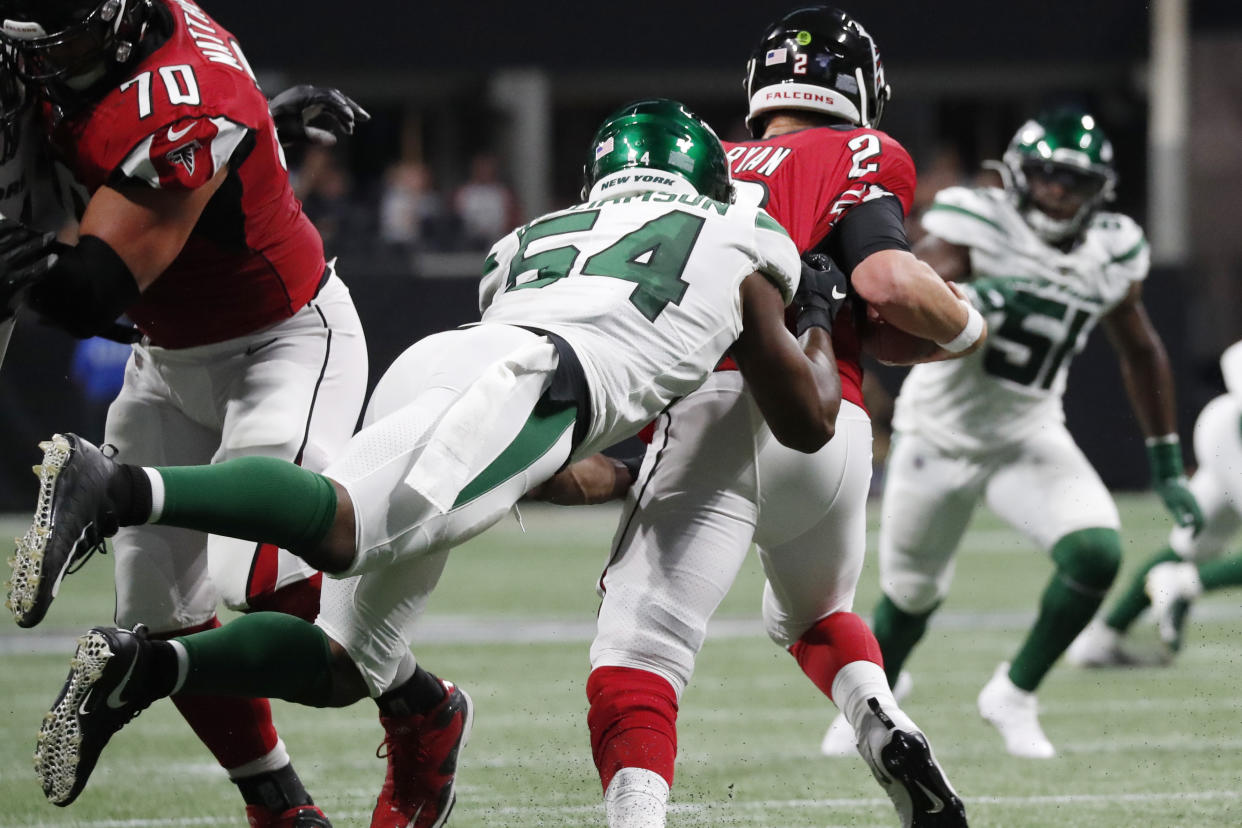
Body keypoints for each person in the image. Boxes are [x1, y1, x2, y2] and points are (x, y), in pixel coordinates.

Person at [13, 98, 849, 827]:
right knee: (339, 525)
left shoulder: (533, 236)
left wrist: (627, 476)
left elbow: (533, 464)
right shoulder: (742, 231)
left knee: (350, 662)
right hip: (530, 385)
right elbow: (808, 421)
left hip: (458, 364)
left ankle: (146, 666)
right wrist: (813, 312)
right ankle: (114, 487)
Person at [534, 7, 977, 827]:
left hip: (713, 408)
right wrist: (970, 328)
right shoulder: (861, 150)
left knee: (640, 654)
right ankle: (880, 715)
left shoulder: (695, 164)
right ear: (863, 90)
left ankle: (637, 817)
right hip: (833, 425)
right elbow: (885, 298)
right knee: (814, 614)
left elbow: (877, 282)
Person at [0, 2, 370, 826]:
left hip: (279, 343)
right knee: (157, 614)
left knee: (278, 594)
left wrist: (27, 269)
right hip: (165, 359)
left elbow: (95, 288)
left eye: (79, 38)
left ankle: (427, 706)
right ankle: (276, 803)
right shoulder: (127, 74)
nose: (61, 60)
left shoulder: (180, 98)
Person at [820, 109, 1203, 761]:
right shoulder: (977, 220)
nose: (1056, 190)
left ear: (1100, 189)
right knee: (909, 598)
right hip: (937, 436)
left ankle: (1014, 694)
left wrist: (1167, 460)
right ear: (1019, 176)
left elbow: (1141, 350)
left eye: (1072, 179)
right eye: (1047, 174)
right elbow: (903, 289)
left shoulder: (1112, 248)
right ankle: (878, 701)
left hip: (1028, 434)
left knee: (1096, 553)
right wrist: (965, 299)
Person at [1069, 340, 1242, 664]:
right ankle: (1183, 583)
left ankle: (1103, 638)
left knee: (1192, 546)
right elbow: (1236, 358)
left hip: (1227, 437)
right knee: (1189, 556)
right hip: (1233, 436)